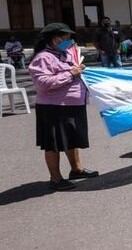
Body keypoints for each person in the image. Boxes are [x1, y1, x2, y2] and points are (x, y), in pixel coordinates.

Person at [29, 23, 99, 191]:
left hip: (72, 105)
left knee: (70, 140)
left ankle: (76, 169)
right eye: (65, 37)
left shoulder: (65, 54)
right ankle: (55, 178)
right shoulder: (43, 58)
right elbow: (43, 83)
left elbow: (73, 72)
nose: (69, 41)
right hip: (53, 108)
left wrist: (79, 70)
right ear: (54, 38)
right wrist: (70, 73)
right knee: (53, 143)